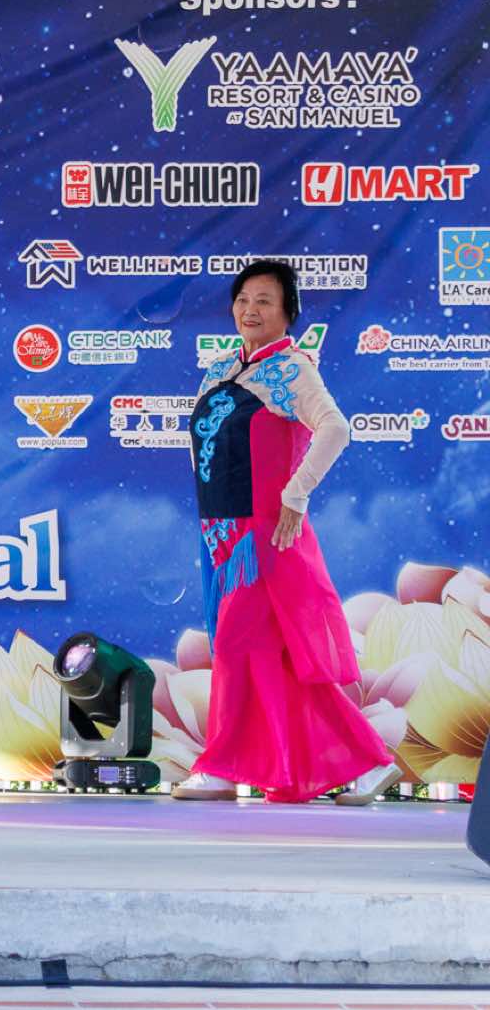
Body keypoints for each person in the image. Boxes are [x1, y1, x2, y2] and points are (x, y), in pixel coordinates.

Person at [173, 259, 399, 805]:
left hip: (264, 539)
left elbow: (335, 428)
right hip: (222, 535)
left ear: (287, 312)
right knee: (271, 662)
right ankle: (370, 763)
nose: (250, 310)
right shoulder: (221, 368)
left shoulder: (292, 369)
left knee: (235, 646)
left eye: (265, 301)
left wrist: (295, 494)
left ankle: (222, 768)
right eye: (243, 299)